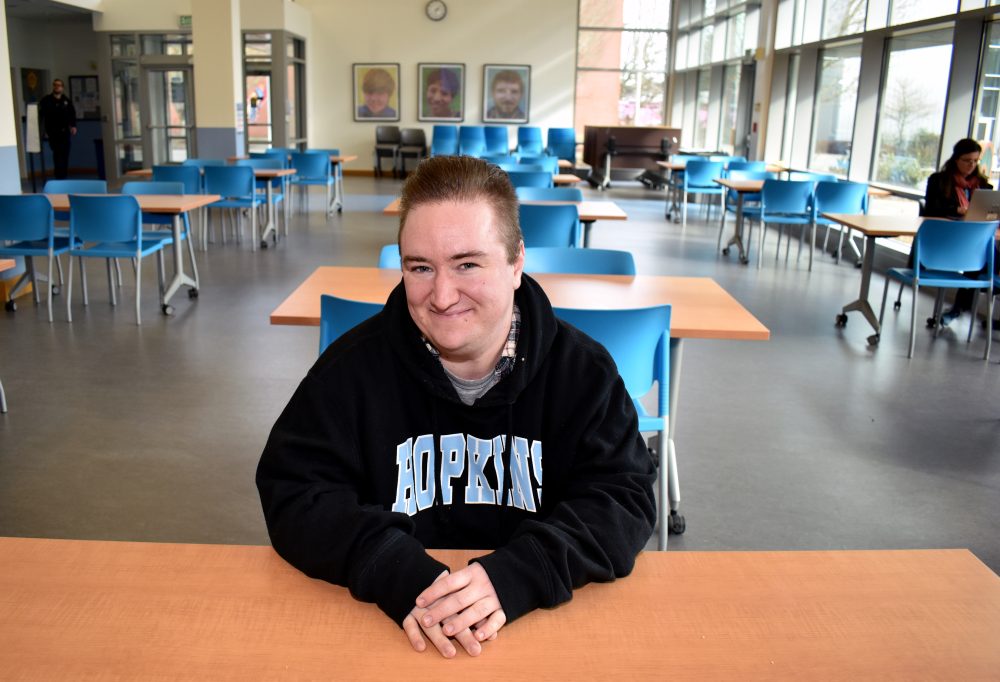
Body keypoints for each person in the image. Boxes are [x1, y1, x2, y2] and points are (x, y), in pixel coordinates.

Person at [256, 155, 655, 659]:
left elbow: (625, 497)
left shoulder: (583, 372)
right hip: (393, 637)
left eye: (467, 263)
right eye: (420, 267)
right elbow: (293, 491)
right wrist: (390, 565)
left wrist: (523, 571)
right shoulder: (350, 370)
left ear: (515, 263)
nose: (441, 296)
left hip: (542, 635)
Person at [922, 138, 995, 326]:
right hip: (947, 238)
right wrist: (957, 210)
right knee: (985, 259)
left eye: (975, 161)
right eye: (967, 160)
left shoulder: (983, 185)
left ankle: (959, 307)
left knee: (985, 255)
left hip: (972, 237)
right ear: (956, 159)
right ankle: (963, 305)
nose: (972, 165)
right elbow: (931, 209)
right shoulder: (939, 180)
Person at [38, 78, 77, 180]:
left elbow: (72, 114)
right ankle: (59, 176)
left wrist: (73, 126)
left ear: (62, 88)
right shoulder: (46, 100)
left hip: (65, 132)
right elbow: (41, 115)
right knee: (58, 154)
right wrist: (43, 131)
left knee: (65, 154)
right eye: (55, 85)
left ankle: (64, 175)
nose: (57, 87)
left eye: (59, 85)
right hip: (53, 132)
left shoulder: (66, 101)